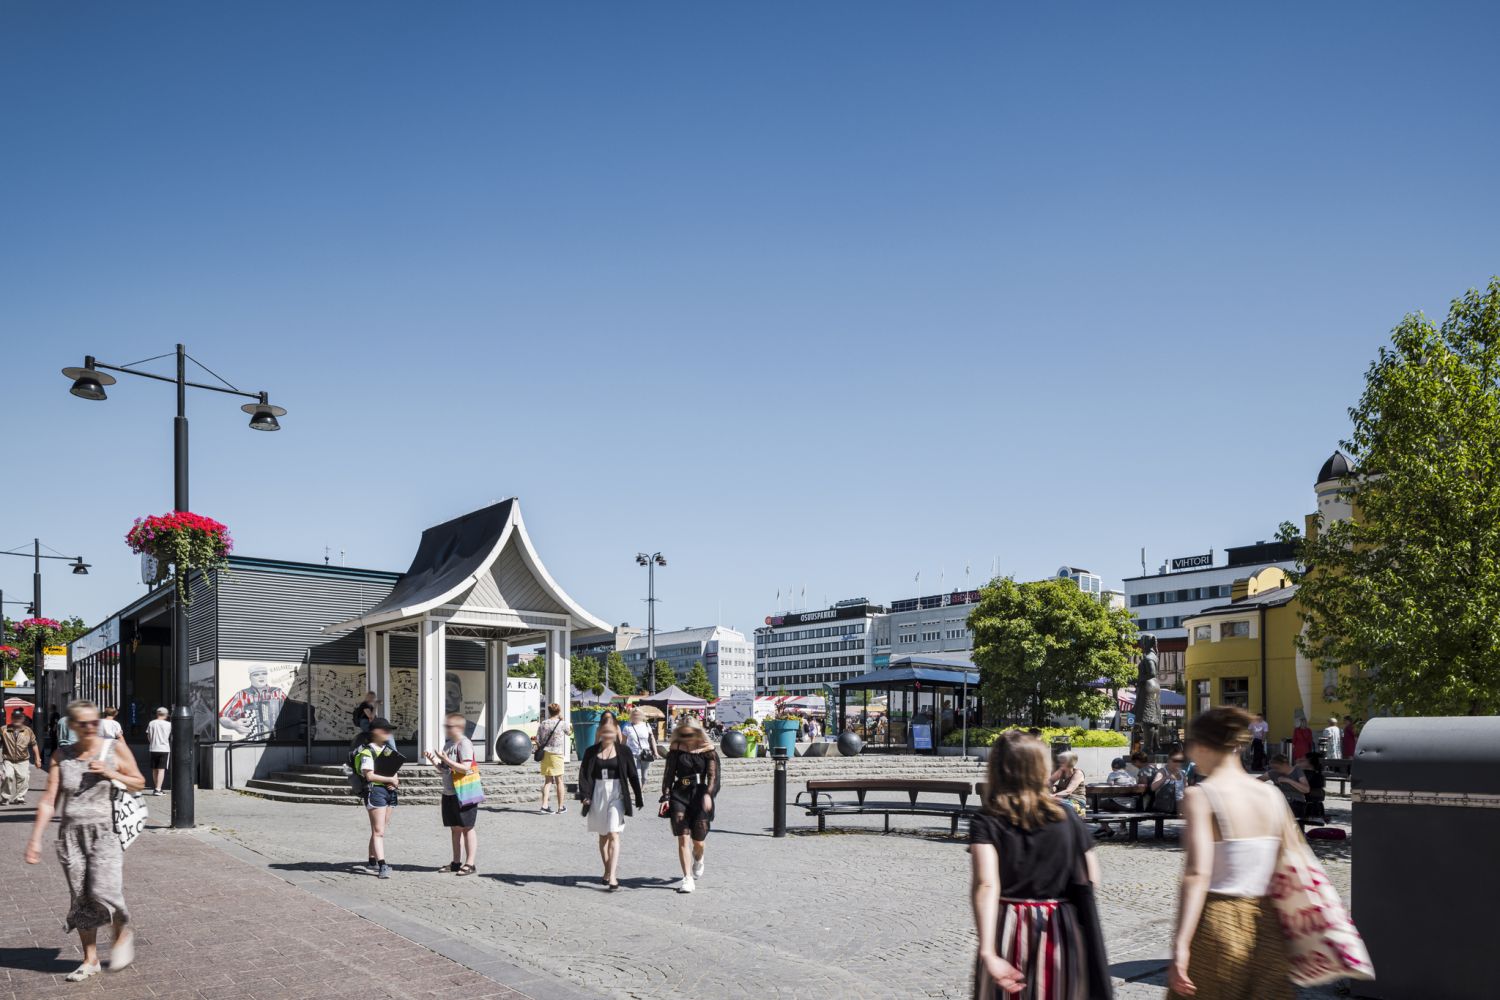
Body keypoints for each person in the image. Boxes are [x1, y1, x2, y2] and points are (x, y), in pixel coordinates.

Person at [969, 730, 1109, 999]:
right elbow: (1091, 877)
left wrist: (987, 950)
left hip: (1008, 928)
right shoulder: (1067, 816)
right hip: (1059, 928)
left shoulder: (988, 819)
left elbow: (986, 883)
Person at [1168, 706, 1296, 999]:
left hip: (1218, 922)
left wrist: (1180, 945)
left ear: (1202, 746)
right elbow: (1286, 865)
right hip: (1268, 925)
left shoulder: (1200, 796)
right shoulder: (1271, 794)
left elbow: (1197, 873)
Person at [24, 699, 145, 981]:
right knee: (81, 898)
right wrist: (35, 839)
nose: (91, 727)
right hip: (71, 836)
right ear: (72, 726)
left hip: (105, 833)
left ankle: (121, 932)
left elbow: (139, 781)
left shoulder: (113, 748)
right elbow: (49, 800)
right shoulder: (61, 755)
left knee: (106, 891)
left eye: (95, 721)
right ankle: (90, 960)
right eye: (84, 723)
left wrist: (110, 772)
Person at [578, 713, 644, 891]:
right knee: (603, 835)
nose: (607, 735)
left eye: (611, 731)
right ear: (600, 731)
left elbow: (632, 774)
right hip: (598, 793)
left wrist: (638, 796)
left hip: (617, 793)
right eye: (604, 731)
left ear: (616, 731)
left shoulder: (624, 751)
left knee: (614, 832)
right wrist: (584, 795)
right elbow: (584, 775)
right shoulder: (591, 751)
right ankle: (607, 869)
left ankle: (612, 875)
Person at [660, 719, 721, 894]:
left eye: (690, 734)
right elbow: (668, 774)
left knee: (699, 841)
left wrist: (709, 795)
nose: (687, 738)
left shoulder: (708, 750)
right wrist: (666, 796)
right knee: (683, 837)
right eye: (683, 734)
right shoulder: (676, 749)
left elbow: (713, 777)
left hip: (700, 795)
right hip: (679, 794)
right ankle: (687, 878)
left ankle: (699, 858)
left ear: (697, 732)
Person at [424, 712, 478, 875]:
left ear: (459, 727)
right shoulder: (448, 745)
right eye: (445, 726)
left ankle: (470, 864)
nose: (446, 729)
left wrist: (446, 760)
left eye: (449, 726)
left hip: (465, 792)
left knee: (467, 828)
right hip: (449, 792)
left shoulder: (464, 744)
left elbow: (466, 768)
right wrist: (435, 762)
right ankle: (456, 862)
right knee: (455, 829)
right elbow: (445, 770)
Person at [355, 718, 400, 879]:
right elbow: (369, 776)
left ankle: (372, 860)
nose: (388, 733)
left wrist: (394, 782)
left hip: (389, 792)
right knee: (378, 831)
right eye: (385, 730)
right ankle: (382, 865)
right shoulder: (368, 752)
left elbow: (394, 771)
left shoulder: (387, 750)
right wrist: (390, 780)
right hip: (375, 792)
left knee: (379, 829)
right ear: (375, 732)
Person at [219, 664, 289, 738]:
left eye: (264, 674)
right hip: (254, 740)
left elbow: (292, 713)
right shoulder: (241, 695)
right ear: (250, 678)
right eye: (256, 674)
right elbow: (222, 716)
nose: (261, 677)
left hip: (279, 739)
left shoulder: (278, 692)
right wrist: (234, 725)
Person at [534, 703, 570, 814]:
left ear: (549, 712)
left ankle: (544, 806)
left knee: (548, 781)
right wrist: (562, 719)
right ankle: (561, 807)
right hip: (557, 754)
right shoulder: (562, 723)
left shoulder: (543, 723)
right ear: (558, 711)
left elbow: (538, 740)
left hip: (545, 754)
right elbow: (569, 732)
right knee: (559, 781)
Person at [2, 709, 42, 804]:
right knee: (7, 776)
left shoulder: (28, 731)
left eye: (19, 718)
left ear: (23, 719)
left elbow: (34, 744)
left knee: (23, 778)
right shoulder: (4, 729)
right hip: (8, 759)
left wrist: (37, 759)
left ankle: (19, 798)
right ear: (11, 718)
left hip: (23, 760)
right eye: (15, 718)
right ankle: (5, 797)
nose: (17, 720)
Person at [1259, 752, 1310, 821]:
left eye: (1277, 767)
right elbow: (1256, 781)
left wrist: (1288, 780)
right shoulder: (1273, 772)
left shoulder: (1297, 771)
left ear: (1285, 764)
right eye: (1273, 768)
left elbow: (1306, 789)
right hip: (1279, 802)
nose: (1275, 770)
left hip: (1295, 802)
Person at [622, 708, 658, 791]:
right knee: (637, 775)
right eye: (634, 715)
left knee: (644, 777)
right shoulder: (627, 727)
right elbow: (623, 742)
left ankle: (641, 790)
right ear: (631, 716)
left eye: (637, 715)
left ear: (641, 716)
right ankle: (639, 793)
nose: (636, 716)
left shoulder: (646, 725)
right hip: (632, 754)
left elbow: (652, 738)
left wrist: (655, 752)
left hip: (646, 753)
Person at [145, 707, 171, 795]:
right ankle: (158, 789)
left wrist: (152, 742)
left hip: (153, 748)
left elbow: (148, 736)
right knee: (161, 769)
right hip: (164, 748)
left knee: (155, 769)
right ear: (166, 715)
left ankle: (156, 787)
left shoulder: (151, 723)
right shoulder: (168, 724)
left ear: (157, 714)